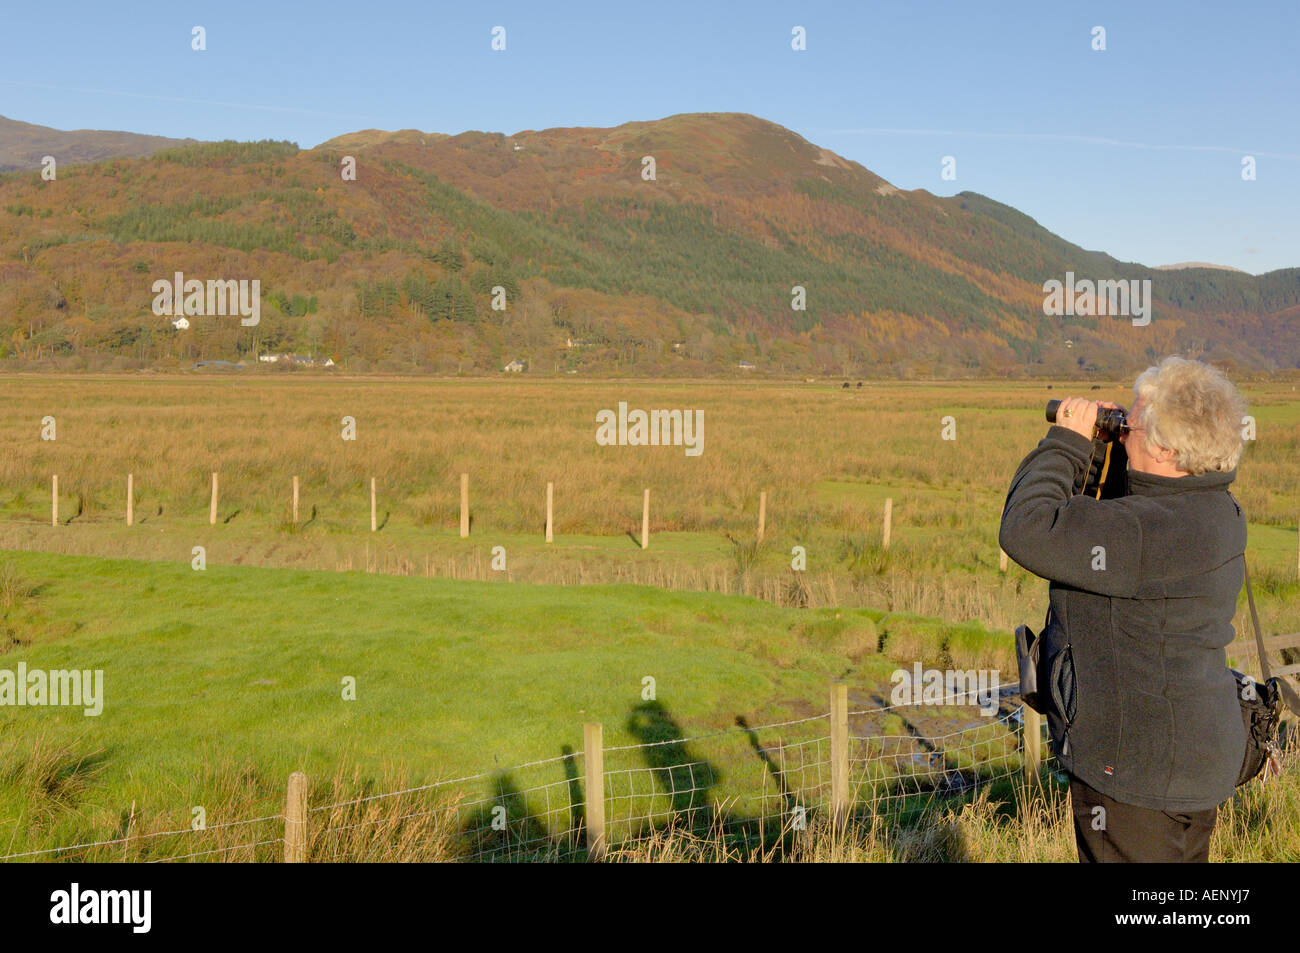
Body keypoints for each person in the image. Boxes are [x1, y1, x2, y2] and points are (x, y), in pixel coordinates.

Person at [999, 356, 1249, 862]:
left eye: (1131, 422)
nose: (1123, 428)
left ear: (1162, 446)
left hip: (1136, 775)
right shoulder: (1215, 510)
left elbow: (1026, 527)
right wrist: (1106, 449)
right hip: (1194, 762)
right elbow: (1119, 524)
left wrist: (1068, 441)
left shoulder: (1139, 533)